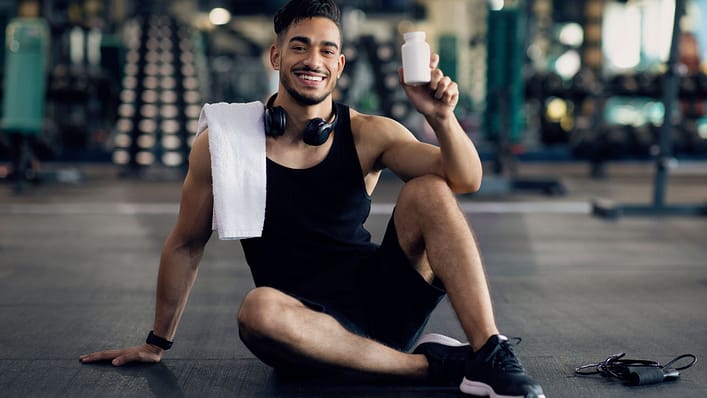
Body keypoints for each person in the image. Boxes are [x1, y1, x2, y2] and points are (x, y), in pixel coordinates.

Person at [80, 1, 545, 397]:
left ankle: (487, 353)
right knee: (256, 308)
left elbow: (466, 179)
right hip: (299, 326)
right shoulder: (224, 143)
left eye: (327, 50)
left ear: (339, 65)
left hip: (384, 304)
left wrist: (442, 118)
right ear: (276, 55)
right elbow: (185, 243)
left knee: (429, 188)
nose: (312, 59)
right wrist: (156, 341)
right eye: (299, 46)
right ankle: (434, 367)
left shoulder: (369, 133)